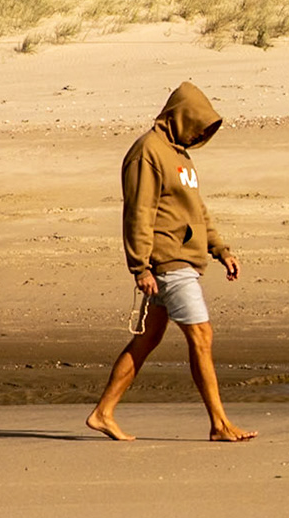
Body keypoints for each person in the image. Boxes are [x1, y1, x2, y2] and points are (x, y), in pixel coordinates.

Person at [87, 82, 255, 442]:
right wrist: (140, 268)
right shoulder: (147, 152)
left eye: (206, 130)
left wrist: (221, 250)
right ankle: (220, 424)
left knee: (146, 341)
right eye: (198, 125)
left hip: (186, 260)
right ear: (180, 116)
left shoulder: (181, 156)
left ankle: (103, 413)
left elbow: (197, 211)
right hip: (168, 262)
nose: (200, 134)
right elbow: (139, 212)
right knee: (202, 335)